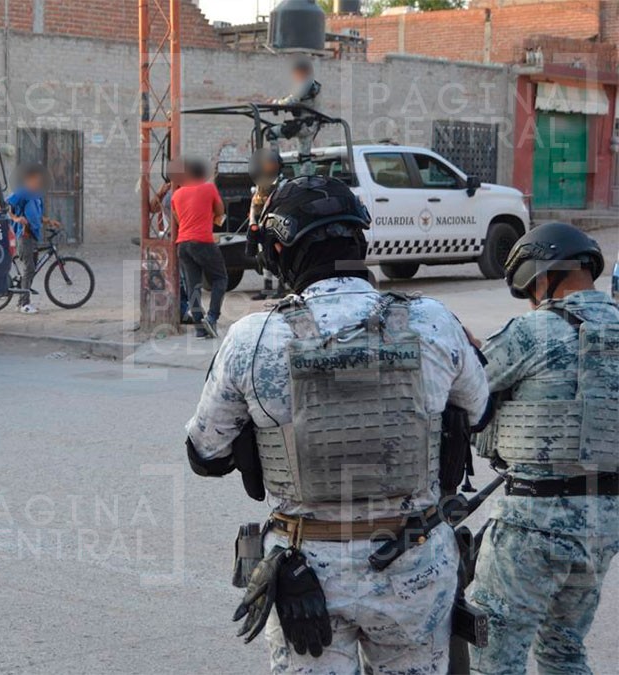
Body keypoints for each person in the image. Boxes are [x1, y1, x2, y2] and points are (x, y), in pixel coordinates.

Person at [186, 175, 489, 673]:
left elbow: (205, 453)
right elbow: (480, 414)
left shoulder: (251, 338)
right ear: (361, 241)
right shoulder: (434, 320)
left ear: (279, 250)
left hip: (307, 571)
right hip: (414, 562)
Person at [470, 223, 619, 674]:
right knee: (563, 651)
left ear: (540, 277)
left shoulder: (532, 332)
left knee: (493, 656)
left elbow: (465, 388)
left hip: (532, 524)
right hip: (603, 524)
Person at [170, 158, 227, 338]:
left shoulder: (176, 195)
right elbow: (220, 211)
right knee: (220, 279)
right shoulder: (209, 188)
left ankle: (199, 327)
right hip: (203, 241)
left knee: (192, 285)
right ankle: (211, 317)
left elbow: (179, 220)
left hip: (183, 245)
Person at [267, 58, 322, 175]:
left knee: (271, 132)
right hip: (311, 125)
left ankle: (275, 166)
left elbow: (292, 99)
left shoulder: (305, 83)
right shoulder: (312, 84)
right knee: (304, 157)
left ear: (301, 71)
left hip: (303, 125)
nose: (294, 76)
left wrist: (275, 103)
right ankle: (305, 181)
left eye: (295, 73)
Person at [6, 164, 47, 314]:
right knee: (29, 268)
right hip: (23, 237)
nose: (38, 182)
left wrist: (48, 221)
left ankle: (21, 302)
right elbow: (3, 206)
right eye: (36, 180)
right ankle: (24, 304)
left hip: (33, 236)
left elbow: (36, 216)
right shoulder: (21, 193)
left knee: (31, 269)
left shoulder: (37, 195)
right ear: (29, 179)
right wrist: (16, 218)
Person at [247, 148, 285, 301]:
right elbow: (254, 204)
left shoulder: (282, 184)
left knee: (280, 256)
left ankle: (282, 286)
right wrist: (252, 222)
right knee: (263, 257)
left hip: (277, 225)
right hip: (262, 224)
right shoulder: (259, 184)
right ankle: (267, 288)